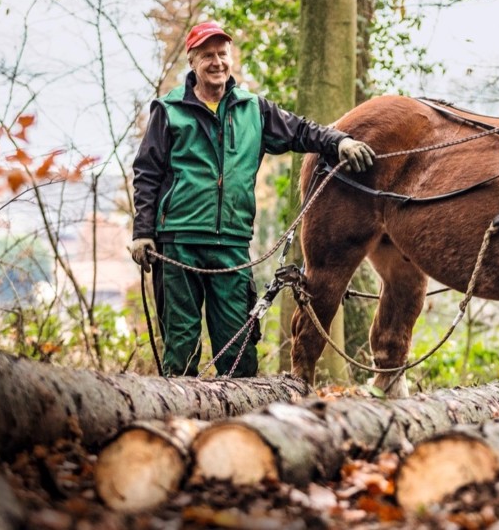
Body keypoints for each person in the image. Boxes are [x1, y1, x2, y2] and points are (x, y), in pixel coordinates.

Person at [129, 21, 375, 377]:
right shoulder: (168, 111)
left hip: (231, 245)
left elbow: (301, 131)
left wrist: (340, 142)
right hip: (177, 244)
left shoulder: (253, 109)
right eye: (207, 55)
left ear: (231, 58)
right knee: (180, 352)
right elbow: (147, 173)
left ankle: (237, 428)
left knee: (239, 352)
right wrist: (142, 231)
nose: (217, 62)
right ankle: (180, 428)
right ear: (192, 61)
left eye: (222, 54)